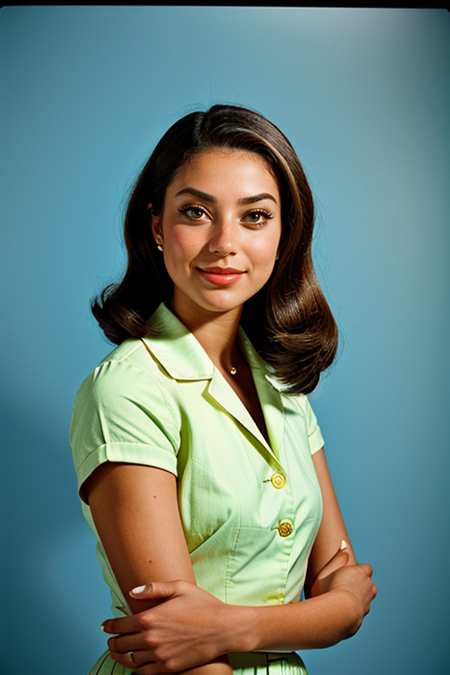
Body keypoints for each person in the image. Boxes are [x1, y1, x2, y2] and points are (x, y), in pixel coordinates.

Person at [70, 104, 377, 675]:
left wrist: (230, 625)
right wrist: (324, 614)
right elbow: (170, 647)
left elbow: (347, 588)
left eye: (255, 216)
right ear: (157, 226)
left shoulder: (285, 388)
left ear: (286, 233)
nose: (223, 243)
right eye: (196, 212)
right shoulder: (126, 391)